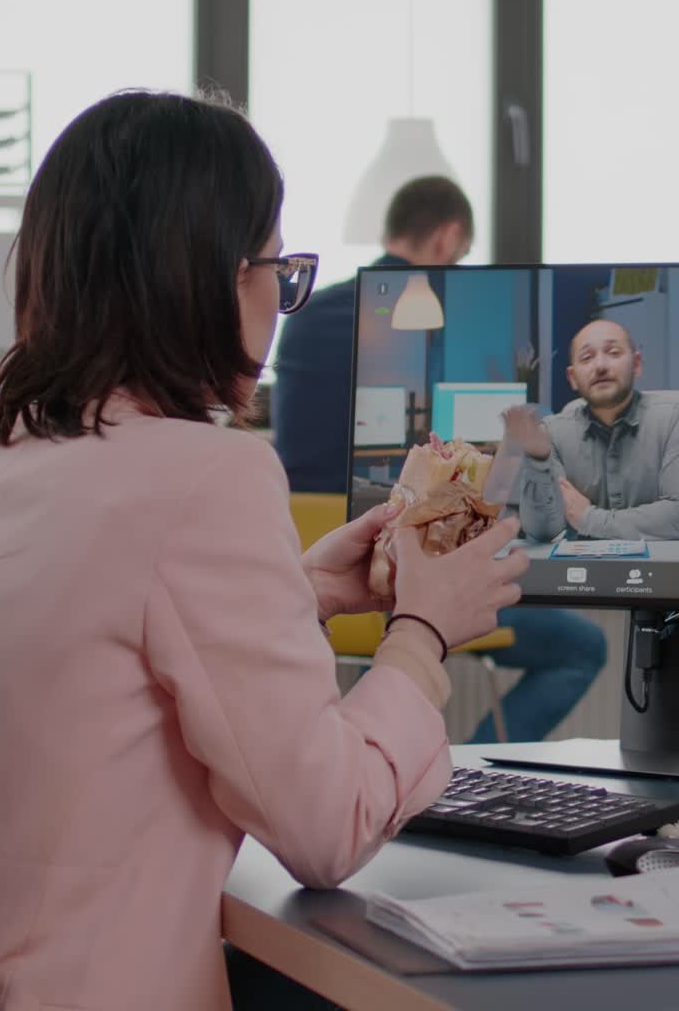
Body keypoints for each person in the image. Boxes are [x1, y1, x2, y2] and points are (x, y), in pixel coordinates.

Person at [0, 90, 528, 1011]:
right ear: (217, 279)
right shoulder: (204, 477)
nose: (282, 300)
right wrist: (424, 632)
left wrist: (297, 593)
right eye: (281, 269)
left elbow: (98, 665)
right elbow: (327, 827)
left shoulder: (3, 461)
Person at [272, 178, 607, 745]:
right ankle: (468, 773)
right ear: (448, 237)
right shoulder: (435, 323)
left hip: (314, 587)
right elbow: (482, 487)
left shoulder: (304, 316)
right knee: (583, 646)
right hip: (402, 586)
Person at [272, 175, 474, 493]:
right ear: (448, 238)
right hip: (385, 517)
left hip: (303, 520)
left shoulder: (309, 311)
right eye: (461, 254)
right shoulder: (440, 316)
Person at [506, 318, 679, 542]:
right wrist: (538, 461)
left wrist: (588, 519)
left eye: (613, 353)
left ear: (636, 364)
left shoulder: (672, 420)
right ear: (573, 378)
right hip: (580, 574)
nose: (600, 366)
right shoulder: (553, 433)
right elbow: (542, 532)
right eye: (587, 358)